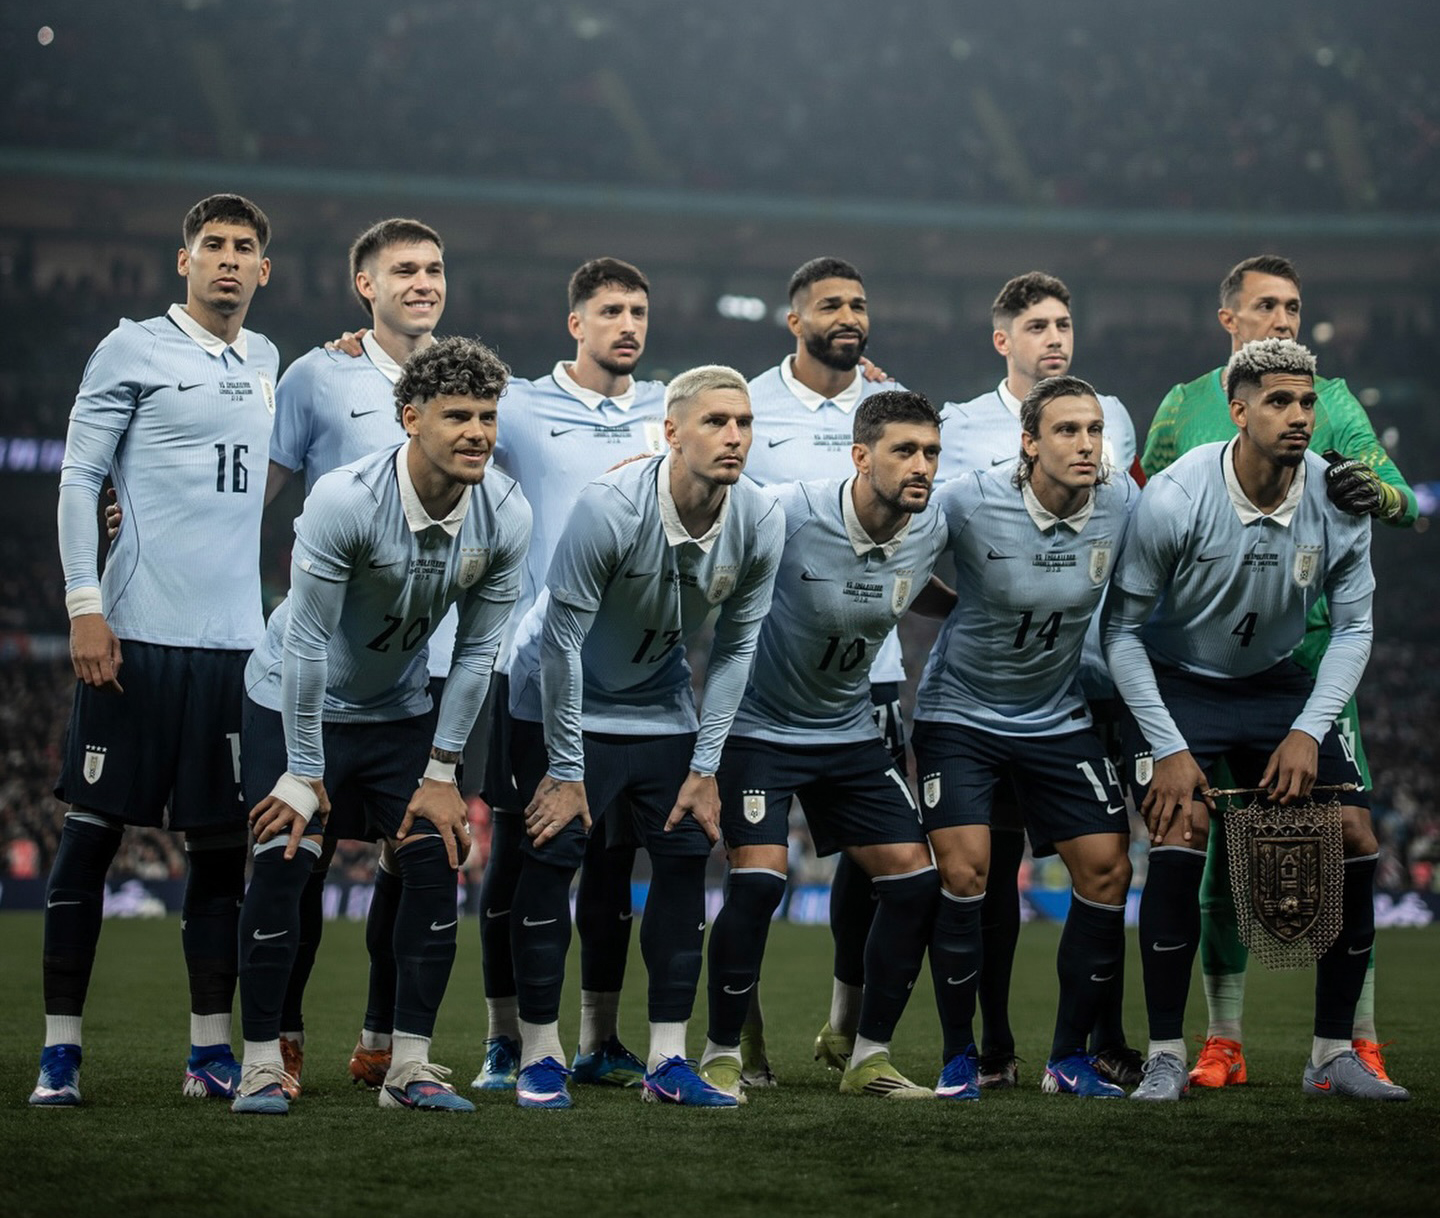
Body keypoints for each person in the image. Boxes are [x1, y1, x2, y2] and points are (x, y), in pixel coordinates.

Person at [230, 336, 531, 1115]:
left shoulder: (506, 513)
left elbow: (475, 656)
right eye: (457, 415)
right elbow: (303, 643)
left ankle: (407, 1067)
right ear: (410, 418)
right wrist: (301, 770)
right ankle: (263, 1062)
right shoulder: (343, 498)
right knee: (286, 858)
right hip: (294, 702)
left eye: (488, 416)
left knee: (434, 861)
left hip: (399, 711)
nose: (477, 432)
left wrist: (441, 774)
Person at [1105, 337, 1408, 1102]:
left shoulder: (1339, 499)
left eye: (1306, 401)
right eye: (1279, 401)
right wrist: (1170, 746)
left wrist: (1308, 728)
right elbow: (1121, 634)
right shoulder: (1176, 496)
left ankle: (1333, 1055)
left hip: (1277, 681)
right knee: (1180, 830)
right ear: (1238, 412)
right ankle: (1169, 1053)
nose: (1300, 416)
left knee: (1354, 832)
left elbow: (1355, 628)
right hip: (1180, 682)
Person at [33, 194, 278, 1107]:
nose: (226, 259)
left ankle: (208, 1052)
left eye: (243, 248)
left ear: (264, 271)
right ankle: (61, 1051)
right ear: (185, 261)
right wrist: (84, 603)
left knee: (220, 857)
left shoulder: (268, 360)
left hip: (233, 651)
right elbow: (78, 478)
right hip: (133, 634)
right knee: (90, 838)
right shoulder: (130, 345)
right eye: (211, 244)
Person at [505, 364, 783, 1109]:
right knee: (551, 853)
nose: (734, 436)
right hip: (556, 695)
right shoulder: (608, 507)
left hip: (660, 703)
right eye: (717, 421)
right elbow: (561, 644)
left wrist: (706, 767)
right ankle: (538, 1054)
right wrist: (565, 770)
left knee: (686, 853)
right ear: (671, 433)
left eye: (745, 423)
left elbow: (734, 650)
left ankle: (667, 1061)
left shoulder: (760, 517)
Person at [698, 390, 948, 1101]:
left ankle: (865, 1053)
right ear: (861, 457)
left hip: (847, 731)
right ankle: (725, 1049)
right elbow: (700, 518)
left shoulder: (934, 522)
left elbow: (922, 582)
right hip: (759, 730)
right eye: (904, 450)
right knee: (758, 883)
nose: (921, 465)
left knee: (913, 879)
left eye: (931, 452)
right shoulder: (783, 510)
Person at [932, 271, 1142, 1089]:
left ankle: (1075, 1055)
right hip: (970, 703)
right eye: (1071, 431)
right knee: (974, 873)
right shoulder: (961, 462)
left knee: (1107, 867)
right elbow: (896, 543)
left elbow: (1147, 565)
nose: (1088, 443)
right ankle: (973, 1054)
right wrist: (963, 606)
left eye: (1094, 431)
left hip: (1069, 698)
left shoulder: (1117, 485)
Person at [470, 257, 667, 1092]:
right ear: (575, 325)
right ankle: (504, 1040)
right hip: (534, 666)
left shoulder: (671, 410)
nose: (629, 324)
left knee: (615, 864)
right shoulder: (517, 406)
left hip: (634, 676)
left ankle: (598, 1039)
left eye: (640, 311)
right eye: (612, 310)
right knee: (519, 853)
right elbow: (425, 427)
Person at [266, 217, 447, 1095]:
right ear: (364, 286)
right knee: (296, 863)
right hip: (326, 666)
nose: (423, 281)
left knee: (415, 864)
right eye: (403, 269)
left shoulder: (469, 379)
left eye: (434, 269)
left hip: (432, 665)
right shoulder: (316, 375)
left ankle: (384, 1040)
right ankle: (285, 1037)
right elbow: (259, 499)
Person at [744, 256, 911, 1086]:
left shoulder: (892, 408)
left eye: (860, 302)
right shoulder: (749, 404)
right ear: (795, 319)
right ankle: (745, 1040)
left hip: (869, 674)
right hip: (768, 675)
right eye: (831, 305)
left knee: (873, 867)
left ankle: (846, 1029)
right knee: (753, 873)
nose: (850, 315)